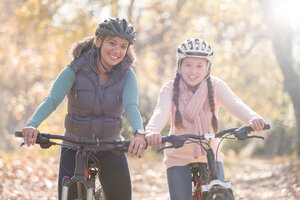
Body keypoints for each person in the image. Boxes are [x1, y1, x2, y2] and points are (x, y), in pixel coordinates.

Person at [21, 17, 146, 200]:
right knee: (67, 196)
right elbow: (52, 99)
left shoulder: (127, 75)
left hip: (110, 146)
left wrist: (139, 133)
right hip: (74, 146)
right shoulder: (75, 69)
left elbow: (131, 106)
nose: (117, 51)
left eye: (123, 46)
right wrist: (33, 124)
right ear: (98, 41)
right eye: (112, 43)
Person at [145, 38, 265, 200]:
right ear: (179, 66)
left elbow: (235, 104)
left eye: (199, 65)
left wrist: (252, 117)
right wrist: (152, 131)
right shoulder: (169, 88)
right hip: (177, 155)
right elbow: (161, 111)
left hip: (210, 153)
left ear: (208, 67)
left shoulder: (216, 86)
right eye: (188, 64)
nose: (193, 71)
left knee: (222, 195)